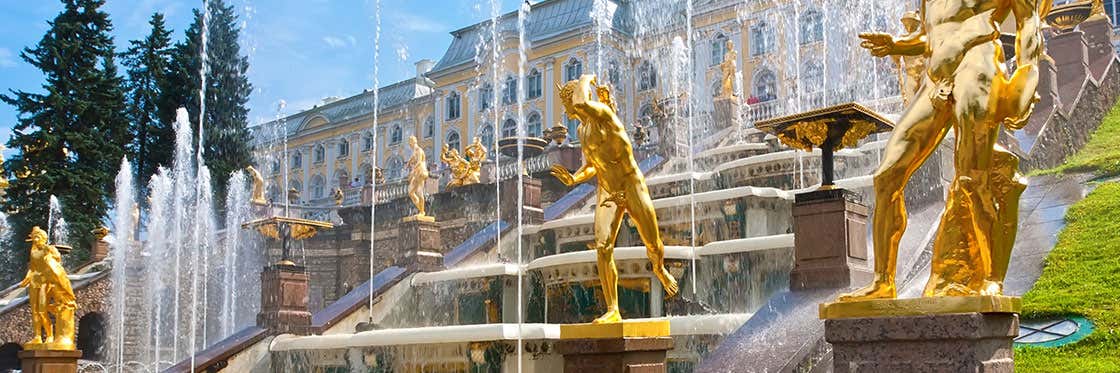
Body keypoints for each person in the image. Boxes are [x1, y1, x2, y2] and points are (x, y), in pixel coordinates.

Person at [843, 0, 1043, 300]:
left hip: (978, 64)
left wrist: (1027, 76)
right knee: (886, 177)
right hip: (936, 79)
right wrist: (897, 44)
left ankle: (992, 279)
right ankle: (883, 282)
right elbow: (932, 35)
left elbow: (1028, 19)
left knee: (972, 180)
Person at [551, 74, 679, 324]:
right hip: (608, 190)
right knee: (603, 246)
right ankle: (613, 309)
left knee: (652, 243)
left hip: (631, 185)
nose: (566, 109)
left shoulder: (603, 115)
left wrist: (585, 78)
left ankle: (659, 268)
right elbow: (592, 165)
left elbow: (580, 102)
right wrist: (574, 179)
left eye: (566, 102)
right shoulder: (582, 129)